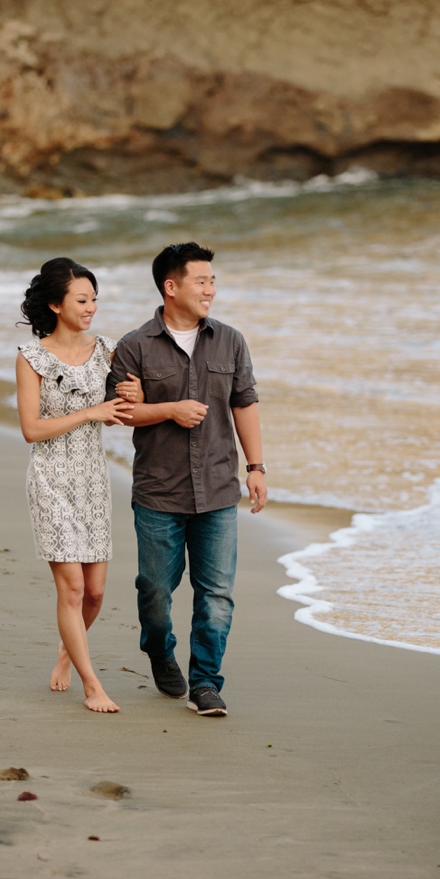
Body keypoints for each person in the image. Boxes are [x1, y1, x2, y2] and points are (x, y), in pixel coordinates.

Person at [106, 242, 267, 717]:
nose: (210, 290)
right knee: (155, 592)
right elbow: (121, 413)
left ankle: (205, 683)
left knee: (216, 596)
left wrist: (256, 467)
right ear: (170, 287)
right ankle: (158, 651)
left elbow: (245, 403)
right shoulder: (134, 346)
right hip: (159, 491)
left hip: (218, 488)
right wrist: (171, 410)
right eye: (202, 280)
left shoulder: (231, 341)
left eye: (213, 280)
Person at [16, 257, 139, 713]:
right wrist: (91, 413)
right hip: (50, 476)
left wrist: (133, 396)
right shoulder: (31, 358)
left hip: (92, 476)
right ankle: (93, 685)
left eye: (94, 300)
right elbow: (32, 429)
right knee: (69, 589)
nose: (90, 307)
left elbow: (128, 402)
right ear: (55, 303)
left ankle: (68, 652)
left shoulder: (108, 349)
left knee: (95, 593)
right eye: (81, 299)